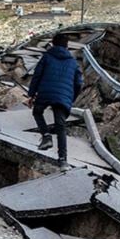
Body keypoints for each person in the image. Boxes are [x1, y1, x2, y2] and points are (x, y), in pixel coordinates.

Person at [27, 33, 83, 170]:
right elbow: (79, 83)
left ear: (53, 43)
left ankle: (46, 136)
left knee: (37, 111)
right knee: (60, 126)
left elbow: (37, 75)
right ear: (67, 45)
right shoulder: (73, 62)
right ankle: (63, 160)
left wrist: (31, 94)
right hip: (64, 96)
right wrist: (71, 99)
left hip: (45, 92)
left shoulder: (47, 57)